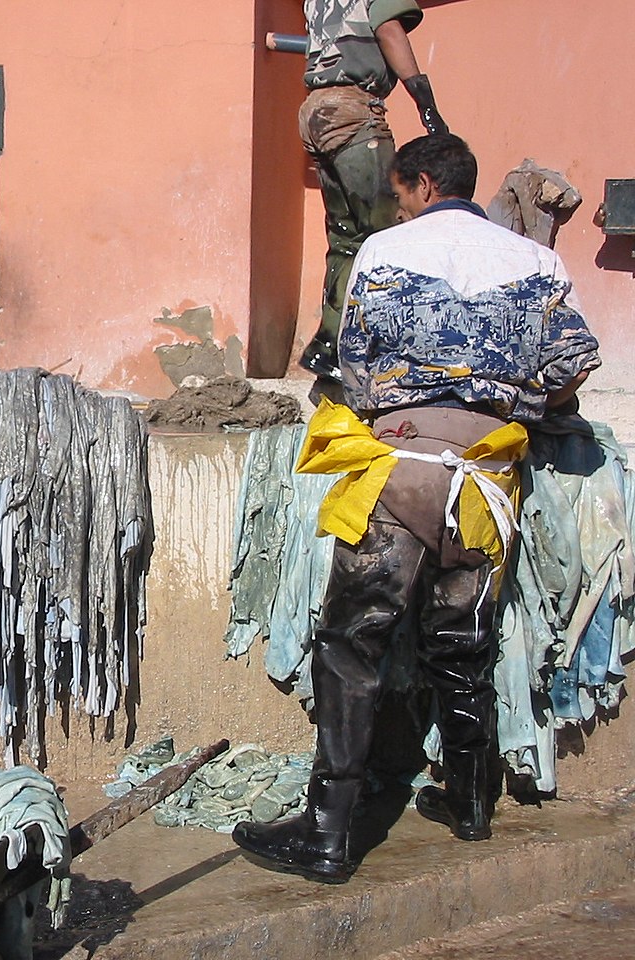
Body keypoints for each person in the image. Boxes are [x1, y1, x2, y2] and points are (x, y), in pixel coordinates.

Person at [232, 134, 601, 882]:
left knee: (351, 644)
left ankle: (328, 836)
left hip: (400, 466)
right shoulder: (535, 259)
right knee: (462, 646)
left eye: (401, 191)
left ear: (424, 185)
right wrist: (521, 403)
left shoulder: (385, 251)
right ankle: (469, 804)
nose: (398, 203)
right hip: (487, 480)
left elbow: (358, 371)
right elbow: (574, 360)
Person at [297, 0, 449, 382]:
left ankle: (328, 347)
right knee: (388, 232)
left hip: (315, 110)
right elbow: (389, 30)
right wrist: (425, 102)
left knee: (346, 238)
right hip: (353, 109)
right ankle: (388, 348)